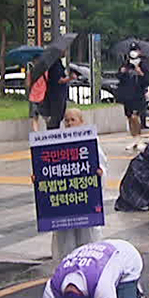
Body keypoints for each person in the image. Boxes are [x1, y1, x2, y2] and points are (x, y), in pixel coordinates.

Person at [49, 108, 108, 258]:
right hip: (65, 203)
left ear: (81, 122)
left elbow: (101, 165)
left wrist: (99, 173)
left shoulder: (90, 141)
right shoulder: (55, 142)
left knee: (88, 242)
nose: (69, 124)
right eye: (66, 121)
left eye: (72, 120)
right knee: (65, 245)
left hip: (85, 201)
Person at [116, 50, 149, 141]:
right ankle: (133, 136)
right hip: (127, 96)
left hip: (138, 96)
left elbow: (148, 80)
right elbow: (119, 77)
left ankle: (137, 136)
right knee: (130, 117)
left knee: (135, 116)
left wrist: (140, 73)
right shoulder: (125, 65)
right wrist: (122, 72)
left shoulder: (143, 66)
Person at [44, 54, 74, 131]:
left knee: (59, 117)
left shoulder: (59, 62)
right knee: (55, 118)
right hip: (56, 95)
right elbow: (59, 80)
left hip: (60, 93)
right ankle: (52, 135)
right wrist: (70, 78)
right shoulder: (54, 64)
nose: (64, 53)